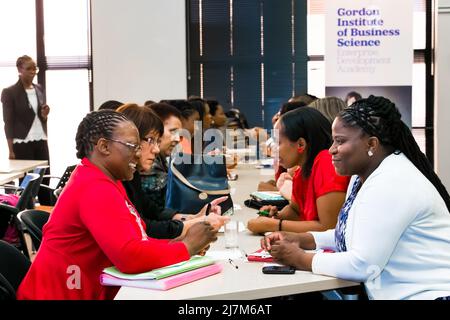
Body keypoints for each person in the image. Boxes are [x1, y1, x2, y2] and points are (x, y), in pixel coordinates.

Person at [262, 96, 450, 300]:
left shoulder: (392, 181)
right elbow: (350, 234)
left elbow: (362, 265)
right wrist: (302, 239)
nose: (331, 149)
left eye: (340, 141)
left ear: (371, 144)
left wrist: (299, 258)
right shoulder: (363, 175)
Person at [16, 110, 217, 300]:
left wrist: (176, 247)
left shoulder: (109, 180)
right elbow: (129, 257)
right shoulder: (94, 187)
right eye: (133, 146)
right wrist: (187, 247)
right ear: (104, 146)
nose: (138, 154)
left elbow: (139, 239)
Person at [117, 103, 228, 239]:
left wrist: (190, 218)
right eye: (151, 140)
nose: (156, 149)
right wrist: (191, 226)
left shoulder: (132, 173)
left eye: (157, 141)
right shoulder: (117, 179)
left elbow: (152, 211)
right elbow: (144, 227)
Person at [247, 107, 350, 234]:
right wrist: (277, 216)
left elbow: (328, 228)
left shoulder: (326, 162)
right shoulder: (302, 169)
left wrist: (274, 225)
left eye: (278, 142)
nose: (274, 149)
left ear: (301, 144)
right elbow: (296, 211)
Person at [1, 55, 51, 204]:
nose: (33, 71)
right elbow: (7, 121)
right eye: (28, 68)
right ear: (19, 69)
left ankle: (47, 213)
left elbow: (40, 115)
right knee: (26, 182)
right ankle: (23, 212)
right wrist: (10, 150)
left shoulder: (38, 88)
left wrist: (44, 114)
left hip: (40, 138)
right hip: (21, 141)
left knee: (44, 177)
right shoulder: (9, 92)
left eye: (34, 68)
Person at [141, 103, 183, 219]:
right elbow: (177, 191)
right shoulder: (148, 164)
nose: (177, 139)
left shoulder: (161, 158)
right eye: (173, 131)